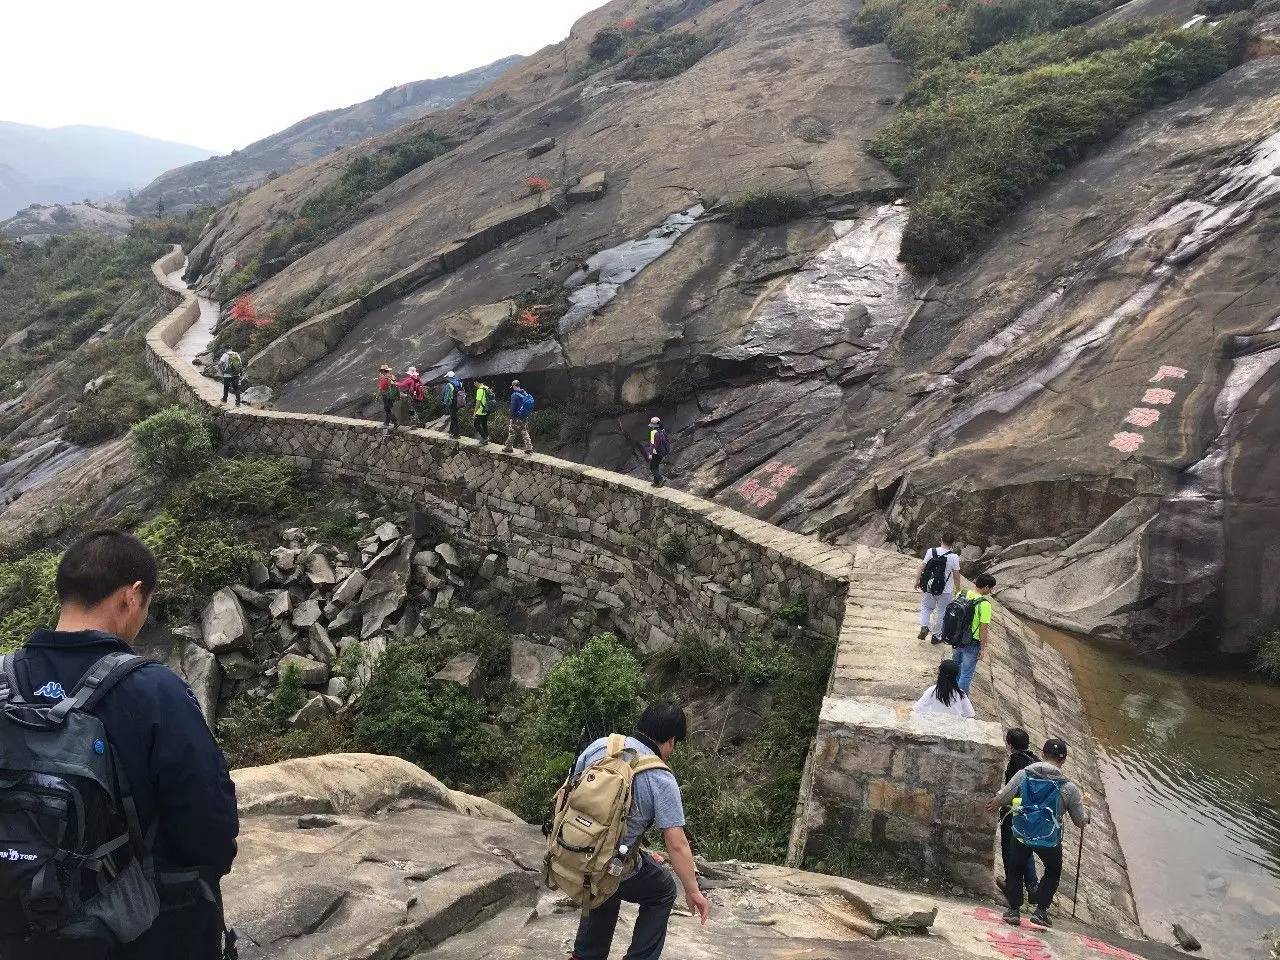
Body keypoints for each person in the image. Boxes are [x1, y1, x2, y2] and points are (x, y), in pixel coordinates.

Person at [0, 531, 239, 959]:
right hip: (131, 935)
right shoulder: (154, 690)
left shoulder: (4, 681)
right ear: (131, 597)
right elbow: (210, 830)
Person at [569, 702, 710, 960]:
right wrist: (692, 891)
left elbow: (570, 793)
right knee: (663, 889)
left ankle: (585, 955)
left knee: (605, 882)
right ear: (670, 740)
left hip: (574, 852)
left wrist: (637, 849)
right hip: (610, 864)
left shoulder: (601, 746)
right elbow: (676, 843)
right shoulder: (660, 777)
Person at [985, 737, 1090, 929]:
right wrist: (1087, 812)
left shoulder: (1023, 775)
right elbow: (1079, 821)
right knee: (1052, 870)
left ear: (1042, 754)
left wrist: (994, 802)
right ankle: (1041, 912)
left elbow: (1005, 795)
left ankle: (1013, 911)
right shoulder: (1069, 788)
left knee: (1015, 868)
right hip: (1048, 838)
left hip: (1021, 832)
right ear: (1063, 760)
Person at [998, 728, 1041, 903]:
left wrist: (998, 802)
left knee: (1009, 848)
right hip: (1033, 813)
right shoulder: (1035, 761)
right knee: (1026, 848)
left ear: (1010, 744)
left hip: (1014, 811)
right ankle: (1033, 886)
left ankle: (1011, 885)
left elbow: (1011, 789)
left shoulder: (1016, 762)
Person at [952, 571, 995, 694]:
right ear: (986, 587)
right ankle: (960, 699)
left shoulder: (962, 593)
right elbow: (983, 628)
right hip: (972, 641)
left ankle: (951, 691)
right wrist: (982, 648)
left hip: (957, 636)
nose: (990, 591)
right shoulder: (985, 604)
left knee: (956, 665)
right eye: (990, 588)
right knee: (966, 673)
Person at [917, 532, 960, 642]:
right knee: (942, 612)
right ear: (953, 544)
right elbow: (956, 576)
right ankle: (936, 636)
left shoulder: (931, 551)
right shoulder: (954, 557)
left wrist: (917, 580)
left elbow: (922, 566)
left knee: (926, 607)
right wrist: (958, 590)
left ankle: (925, 626)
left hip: (929, 587)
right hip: (945, 590)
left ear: (941, 540)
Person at [503, 379, 534, 455]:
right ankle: (529, 447)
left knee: (512, 432)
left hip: (516, 417)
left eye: (512, 386)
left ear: (514, 386)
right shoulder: (525, 393)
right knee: (524, 431)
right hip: (524, 416)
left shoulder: (514, 395)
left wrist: (511, 417)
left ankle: (508, 447)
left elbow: (513, 407)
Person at [646, 417, 671, 487]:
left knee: (652, 467)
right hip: (662, 452)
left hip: (656, 452)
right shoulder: (662, 430)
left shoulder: (653, 432)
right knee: (656, 466)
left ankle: (660, 479)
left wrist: (650, 454)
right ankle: (656, 482)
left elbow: (652, 444)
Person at [442, 370, 464, 438]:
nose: (447, 378)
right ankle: (451, 431)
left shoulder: (449, 384)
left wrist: (445, 403)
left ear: (449, 377)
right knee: (453, 416)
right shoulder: (460, 382)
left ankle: (457, 434)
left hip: (452, 403)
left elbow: (446, 396)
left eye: (447, 377)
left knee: (454, 418)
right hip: (459, 402)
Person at [377, 364, 399, 430]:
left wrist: (377, 395)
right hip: (392, 395)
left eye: (381, 371)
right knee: (389, 408)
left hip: (386, 395)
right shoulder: (392, 376)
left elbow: (381, 388)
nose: (380, 372)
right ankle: (386, 423)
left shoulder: (384, 378)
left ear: (383, 371)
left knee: (387, 409)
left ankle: (395, 422)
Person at [473, 379, 495, 443]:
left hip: (481, 411)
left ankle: (484, 438)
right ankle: (487, 437)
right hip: (487, 410)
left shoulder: (480, 390)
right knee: (484, 424)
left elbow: (478, 403)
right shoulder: (486, 388)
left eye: (474, 383)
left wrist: (474, 413)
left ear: (477, 382)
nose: (474, 384)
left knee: (476, 424)